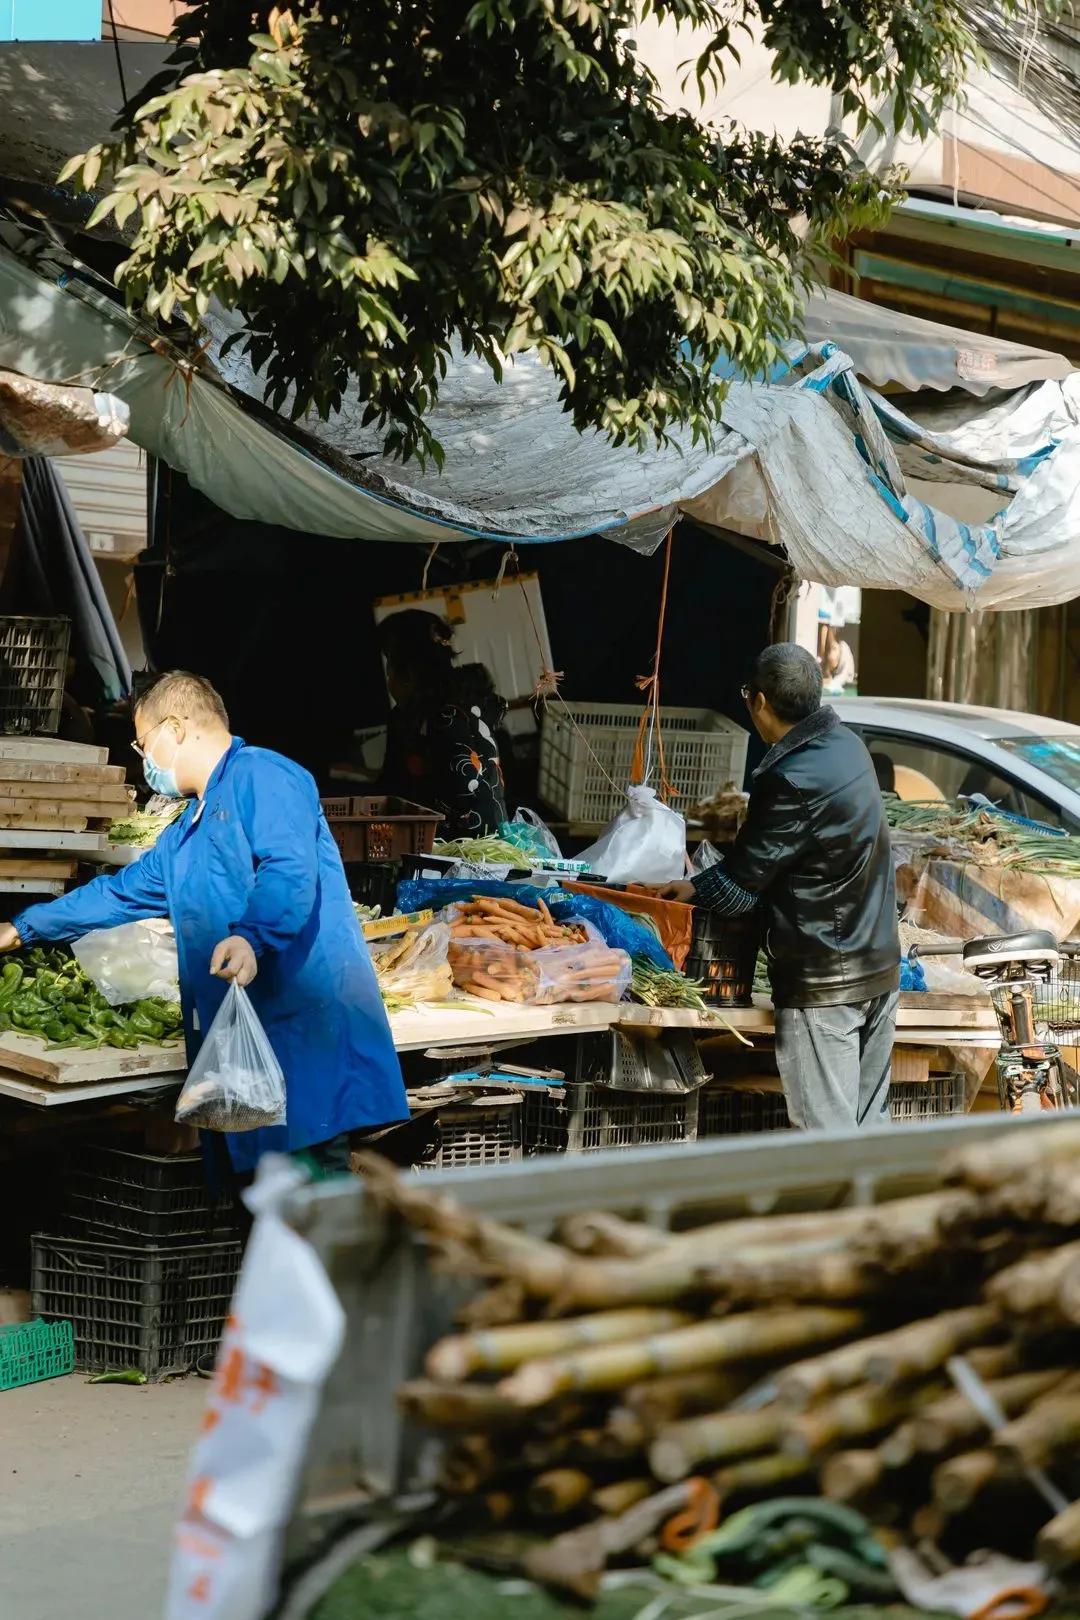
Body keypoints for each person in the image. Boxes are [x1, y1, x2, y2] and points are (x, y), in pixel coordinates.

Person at [0, 671, 409, 1175]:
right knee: (259, 1221)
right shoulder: (185, 832)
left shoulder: (264, 775)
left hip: (303, 1043)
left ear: (174, 728)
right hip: (239, 1057)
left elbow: (288, 869)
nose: (142, 758)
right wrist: (23, 927)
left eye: (142, 743)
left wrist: (251, 937)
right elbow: (119, 893)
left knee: (314, 1222)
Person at [662, 644, 899, 1130]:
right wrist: (694, 885)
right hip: (879, 966)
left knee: (826, 1142)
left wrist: (693, 888)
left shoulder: (789, 777)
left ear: (762, 702)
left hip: (827, 981)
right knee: (869, 1133)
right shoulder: (848, 746)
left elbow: (739, 890)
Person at [377, 609, 508, 838]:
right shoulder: (471, 705)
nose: (389, 682)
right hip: (493, 844)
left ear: (408, 674)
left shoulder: (434, 720)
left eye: (390, 672)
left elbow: (394, 792)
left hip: (456, 853)